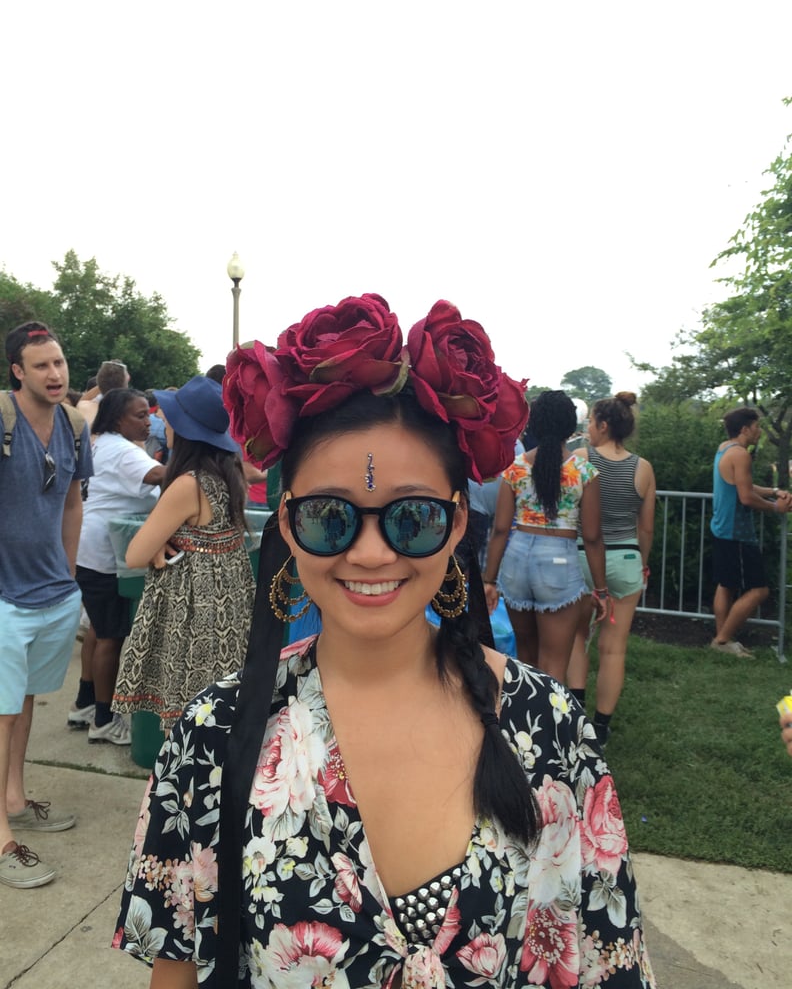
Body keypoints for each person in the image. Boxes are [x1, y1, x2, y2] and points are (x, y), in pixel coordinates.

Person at [112, 297, 655, 987]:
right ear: (286, 523)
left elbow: (610, 962)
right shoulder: (212, 734)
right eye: (330, 517)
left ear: (458, 525)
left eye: (414, 518)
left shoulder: (549, 730)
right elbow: (177, 970)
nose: (371, 554)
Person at [0, 321, 93, 890]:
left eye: (58, 363)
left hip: (53, 593)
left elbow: (73, 502)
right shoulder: (3, 419)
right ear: (18, 371)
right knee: (2, 712)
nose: (55, 374)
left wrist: (69, 571)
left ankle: (14, 796)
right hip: (5, 596)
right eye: (42, 365)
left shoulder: (75, 425)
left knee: (26, 703)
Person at [112, 376, 255, 732]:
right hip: (229, 607)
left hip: (194, 613)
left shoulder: (188, 484)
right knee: (216, 712)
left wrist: (158, 541)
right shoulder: (230, 473)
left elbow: (134, 554)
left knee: (189, 717)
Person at [484, 390, 608, 682]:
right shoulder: (583, 472)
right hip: (558, 564)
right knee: (554, 665)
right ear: (570, 426)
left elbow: (500, 529)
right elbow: (591, 537)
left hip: (516, 562)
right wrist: (601, 590)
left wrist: (489, 580)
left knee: (524, 658)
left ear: (534, 425)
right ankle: (552, 726)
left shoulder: (515, 469)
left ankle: (520, 725)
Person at [70, 389, 166, 744]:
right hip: (103, 554)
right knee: (111, 635)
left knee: (98, 629)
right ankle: (104, 720)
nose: (147, 421)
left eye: (148, 414)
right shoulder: (123, 450)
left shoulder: (103, 443)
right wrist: (199, 466)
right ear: (117, 419)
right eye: (139, 415)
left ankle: (84, 703)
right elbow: (160, 476)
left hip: (90, 550)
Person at [567, 392, 656, 745]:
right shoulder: (644, 468)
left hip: (583, 559)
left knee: (577, 639)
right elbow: (646, 527)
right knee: (614, 649)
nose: (587, 428)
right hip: (627, 561)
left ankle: (576, 719)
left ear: (603, 425)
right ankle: (601, 730)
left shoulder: (580, 459)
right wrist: (643, 563)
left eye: (590, 421)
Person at [710, 407, 792, 658]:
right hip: (737, 532)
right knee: (759, 590)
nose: (759, 431)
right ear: (745, 429)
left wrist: (772, 490)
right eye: (757, 426)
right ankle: (722, 641)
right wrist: (776, 507)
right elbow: (745, 497)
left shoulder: (725, 448)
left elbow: (742, 483)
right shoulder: (741, 455)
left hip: (721, 528)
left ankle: (722, 642)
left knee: (726, 585)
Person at [76, 359, 130, 429]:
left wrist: (105, 379)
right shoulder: (129, 412)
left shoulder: (83, 406)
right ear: (127, 380)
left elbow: (82, 401)